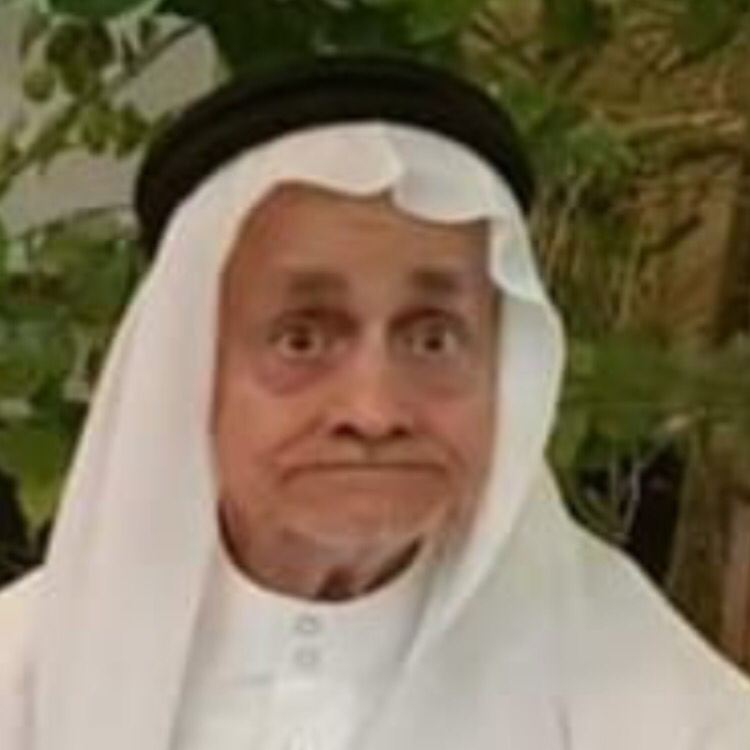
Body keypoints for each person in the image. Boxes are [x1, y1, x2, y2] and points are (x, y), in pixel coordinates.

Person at [0, 56, 748, 750]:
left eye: (433, 339)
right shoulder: (26, 670)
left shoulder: (632, 679)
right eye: (301, 338)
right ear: (194, 367)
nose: (374, 410)